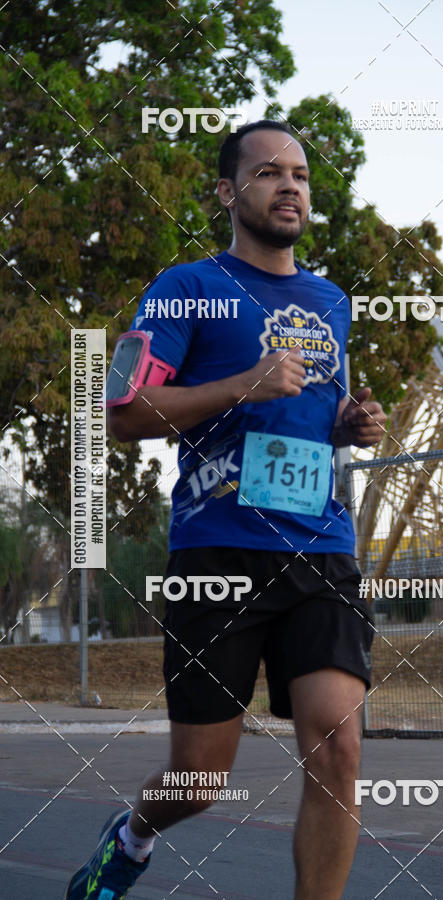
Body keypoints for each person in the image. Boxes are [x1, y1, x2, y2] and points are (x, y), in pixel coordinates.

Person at [65, 120, 387, 900]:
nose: (290, 187)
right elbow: (121, 410)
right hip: (217, 553)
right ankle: (134, 838)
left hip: (320, 545)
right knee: (200, 779)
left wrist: (349, 422)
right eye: (269, 173)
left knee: (338, 748)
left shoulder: (331, 301)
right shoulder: (186, 287)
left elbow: (314, 408)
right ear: (226, 192)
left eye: (302, 176)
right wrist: (242, 384)